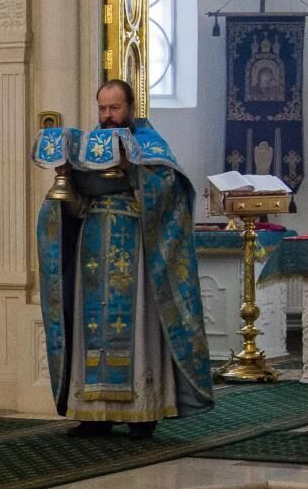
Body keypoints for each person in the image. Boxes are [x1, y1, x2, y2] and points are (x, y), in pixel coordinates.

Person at [36, 79, 213, 439]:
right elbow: (74, 207)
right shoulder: (87, 148)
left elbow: (170, 192)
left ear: (131, 108)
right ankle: (92, 414)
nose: (107, 116)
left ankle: (142, 413)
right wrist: (64, 182)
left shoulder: (150, 145)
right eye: (102, 108)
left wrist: (134, 170)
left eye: (114, 108)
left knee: (137, 327)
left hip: (135, 249)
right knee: (90, 329)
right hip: (91, 248)